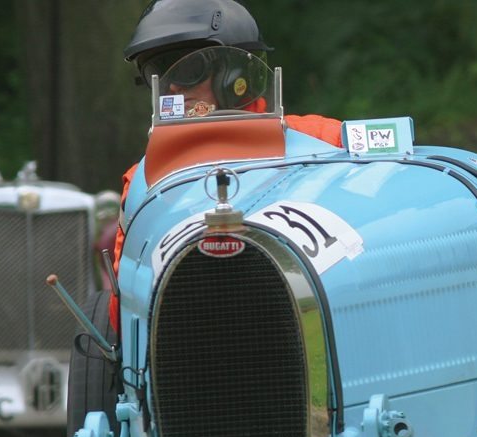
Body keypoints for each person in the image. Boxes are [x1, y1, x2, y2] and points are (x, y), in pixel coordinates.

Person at [110, 0, 343, 327]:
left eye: (189, 70)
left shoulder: (322, 138)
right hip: (189, 332)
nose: (174, 86)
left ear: (233, 72)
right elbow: (124, 309)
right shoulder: (142, 180)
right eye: (160, 72)